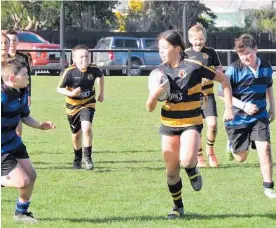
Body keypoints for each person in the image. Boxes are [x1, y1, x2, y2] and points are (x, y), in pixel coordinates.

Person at [146, 30, 234, 219]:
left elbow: (224, 80)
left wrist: (228, 108)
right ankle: (177, 206)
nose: (161, 52)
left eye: (164, 48)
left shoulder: (195, 67)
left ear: (177, 48)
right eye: (159, 49)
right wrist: (154, 94)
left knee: (185, 160)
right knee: (171, 173)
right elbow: (149, 107)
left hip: (191, 122)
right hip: (168, 124)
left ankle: (192, 169)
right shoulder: (158, 73)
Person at [218, 34, 276, 199]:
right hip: (238, 119)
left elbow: (269, 87)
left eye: (248, 53)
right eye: (241, 55)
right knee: (241, 157)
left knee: (265, 149)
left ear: (256, 49)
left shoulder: (266, 66)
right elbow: (222, 93)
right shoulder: (234, 69)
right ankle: (232, 145)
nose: (244, 57)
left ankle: (268, 187)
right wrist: (243, 106)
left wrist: (273, 106)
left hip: (260, 116)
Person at [1, 59, 56, 222]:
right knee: (22, 181)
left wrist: (39, 125)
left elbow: (24, 115)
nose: (28, 78)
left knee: (31, 176)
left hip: (13, 141)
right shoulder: (2, 96)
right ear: (12, 78)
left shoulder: (21, 91)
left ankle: (21, 213)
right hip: (1, 147)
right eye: (25, 75)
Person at [57, 45, 104, 170]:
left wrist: (101, 93)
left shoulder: (94, 69)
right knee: (76, 135)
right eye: (81, 57)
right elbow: (59, 89)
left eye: (86, 56)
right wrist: (71, 93)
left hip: (88, 103)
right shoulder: (69, 72)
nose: (84, 59)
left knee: (87, 128)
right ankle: (77, 158)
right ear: (74, 59)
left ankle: (88, 158)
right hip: (72, 106)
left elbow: (100, 76)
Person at [185, 23, 223, 168]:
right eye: (195, 39)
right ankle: (199, 156)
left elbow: (219, 70)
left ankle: (210, 150)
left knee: (212, 125)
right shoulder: (185, 54)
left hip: (208, 95)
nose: (198, 42)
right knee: (196, 128)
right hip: (192, 97)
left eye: (201, 39)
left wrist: (212, 76)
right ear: (190, 39)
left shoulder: (211, 52)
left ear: (205, 38)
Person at [6, 30, 33, 137]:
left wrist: (29, 94)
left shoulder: (24, 57)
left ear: (18, 42)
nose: (11, 42)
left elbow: (28, 77)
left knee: (18, 120)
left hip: (20, 93)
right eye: (9, 40)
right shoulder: (3, 57)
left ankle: (17, 144)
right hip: (6, 93)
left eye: (14, 40)